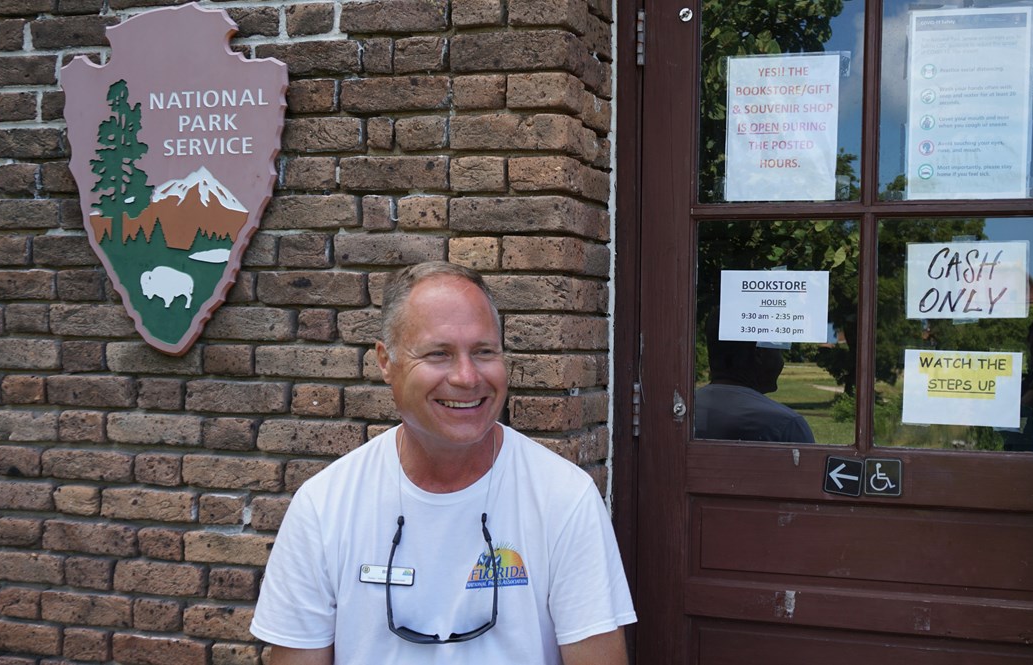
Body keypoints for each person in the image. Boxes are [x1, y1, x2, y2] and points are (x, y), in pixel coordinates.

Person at [251, 262, 636, 664]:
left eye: (484, 352)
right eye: (439, 353)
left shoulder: (564, 499)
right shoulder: (323, 507)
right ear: (385, 362)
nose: (467, 377)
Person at [694, 312, 815, 443]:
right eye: (778, 351)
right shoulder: (785, 425)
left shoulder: (683, 413)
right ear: (760, 354)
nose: (782, 361)